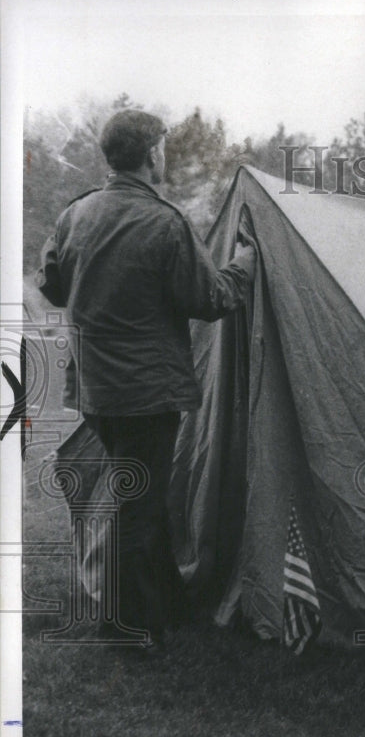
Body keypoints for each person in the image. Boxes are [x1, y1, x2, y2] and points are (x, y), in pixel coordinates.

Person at [36, 109, 257, 655]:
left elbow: (53, 287)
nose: (167, 156)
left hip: (95, 393)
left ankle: (167, 606)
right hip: (145, 394)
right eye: (163, 146)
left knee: (145, 499)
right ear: (150, 153)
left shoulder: (74, 214)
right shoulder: (165, 222)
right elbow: (209, 301)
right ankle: (126, 630)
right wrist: (247, 262)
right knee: (137, 508)